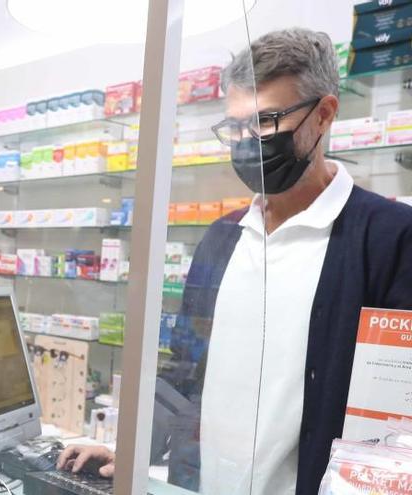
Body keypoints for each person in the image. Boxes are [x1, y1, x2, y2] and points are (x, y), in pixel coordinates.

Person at [58, 28, 412, 495]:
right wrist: (134, 449)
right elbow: (185, 366)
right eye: (236, 126)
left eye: (266, 121)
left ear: (324, 115)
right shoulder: (222, 239)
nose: (248, 142)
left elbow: (395, 408)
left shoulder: (390, 238)